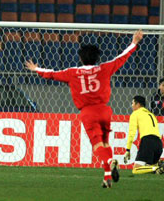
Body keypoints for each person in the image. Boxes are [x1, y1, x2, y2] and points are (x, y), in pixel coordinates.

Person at [25, 30, 144, 188]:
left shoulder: (72, 73)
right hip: (105, 110)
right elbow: (121, 58)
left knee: (97, 145)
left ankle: (110, 161)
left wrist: (37, 70)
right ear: (97, 58)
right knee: (105, 143)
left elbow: (52, 74)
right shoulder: (104, 68)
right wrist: (134, 42)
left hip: (88, 112)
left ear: (80, 58)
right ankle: (107, 176)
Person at [124, 95, 164, 174]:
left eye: (132, 103)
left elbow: (132, 133)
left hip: (148, 142)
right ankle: (158, 165)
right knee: (149, 170)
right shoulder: (151, 114)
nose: (131, 105)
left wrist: (128, 150)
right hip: (159, 144)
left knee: (135, 170)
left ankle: (157, 167)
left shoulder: (135, 114)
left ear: (138, 104)